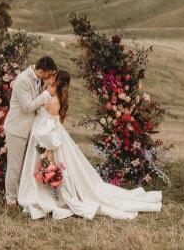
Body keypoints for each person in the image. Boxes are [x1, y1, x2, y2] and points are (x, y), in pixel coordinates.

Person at [17, 70, 162, 220]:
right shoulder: (50, 96)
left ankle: (58, 194)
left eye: (52, 77)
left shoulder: (53, 101)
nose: (48, 78)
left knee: (60, 168)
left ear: (56, 81)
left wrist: (46, 150)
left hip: (50, 139)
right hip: (49, 136)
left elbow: (49, 128)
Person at [3, 56, 57, 206]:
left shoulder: (38, 79)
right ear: (41, 70)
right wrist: (46, 95)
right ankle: (10, 199)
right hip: (17, 129)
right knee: (15, 166)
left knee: (24, 167)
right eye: (48, 74)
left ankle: (21, 196)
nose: (48, 78)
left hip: (28, 130)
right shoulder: (22, 81)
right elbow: (27, 107)